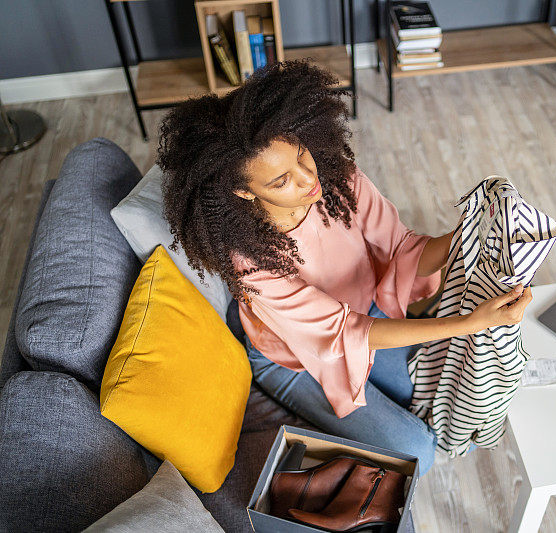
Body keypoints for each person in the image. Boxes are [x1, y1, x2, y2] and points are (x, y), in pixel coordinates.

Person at [154, 60, 533, 476]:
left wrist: (474, 230)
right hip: (296, 357)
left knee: (428, 389)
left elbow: (402, 249)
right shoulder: (251, 264)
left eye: (301, 154)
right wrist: (468, 323)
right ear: (243, 192)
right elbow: (344, 333)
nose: (307, 178)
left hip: (363, 313)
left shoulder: (339, 179)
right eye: (280, 182)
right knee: (418, 452)